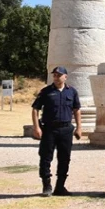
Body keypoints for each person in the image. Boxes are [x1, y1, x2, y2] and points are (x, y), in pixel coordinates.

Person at [31, 66, 82, 197]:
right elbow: (35, 109)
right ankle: (46, 186)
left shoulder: (72, 92)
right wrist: (36, 127)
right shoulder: (46, 91)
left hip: (66, 129)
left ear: (65, 77)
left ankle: (60, 186)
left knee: (65, 158)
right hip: (49, 129)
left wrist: (79, 127)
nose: (56, 77)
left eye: (59, 75)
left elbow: (76, 110)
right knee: (45, 157)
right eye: (54, 75)